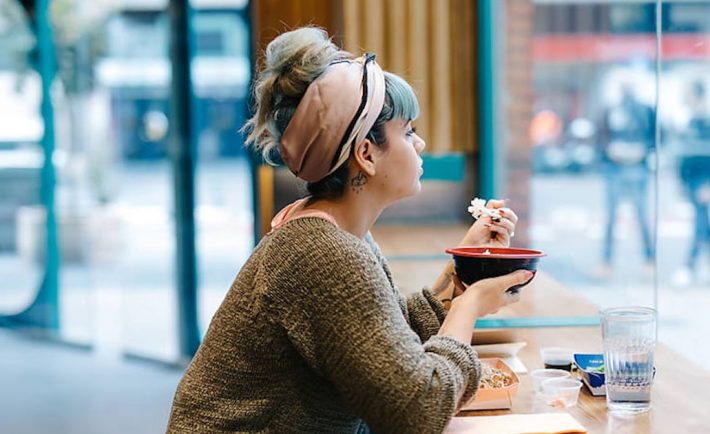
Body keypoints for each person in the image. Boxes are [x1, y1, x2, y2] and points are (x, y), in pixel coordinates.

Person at [166, 27, 528, 434]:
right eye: (407, 132)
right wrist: (469, 306)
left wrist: (462, 276)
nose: (421, 143)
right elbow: (416, 410)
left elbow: (375, 343)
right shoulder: (324, 254)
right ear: (366, 154)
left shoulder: (334, 235)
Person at [598, 81, 655, 276]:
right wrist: (609, 151)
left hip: (636, 167)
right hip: (616, 168)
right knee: (612, 217)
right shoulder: (611, 110)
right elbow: (602, 136)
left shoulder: (644, 110)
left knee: (641, 214)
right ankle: (607, 261)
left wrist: (642, 151)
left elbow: (653, 135)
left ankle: (649, 259)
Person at [674, 81, 710, 286]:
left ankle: (690, 265)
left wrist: (708, 184)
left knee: (701, 224)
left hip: (702, 183)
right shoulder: (690, 121)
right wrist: (682, 180)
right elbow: (685, 154)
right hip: (693, 182)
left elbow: (705, 156)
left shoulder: (705, 122)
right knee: (703, 224)